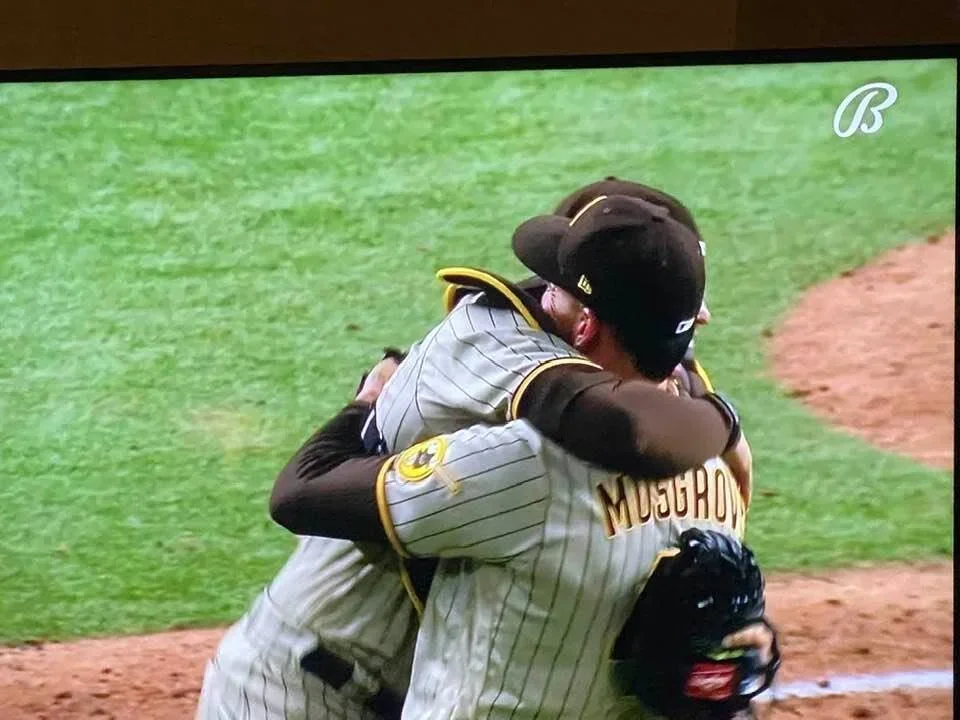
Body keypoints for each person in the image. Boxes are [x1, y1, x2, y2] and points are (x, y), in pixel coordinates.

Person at [196, 180, 745, 719]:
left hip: (415, 679)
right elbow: (301, 492)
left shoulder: (661, 387)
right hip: (305, 685)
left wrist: (714, 648)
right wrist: (726, 426)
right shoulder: (492, 343)